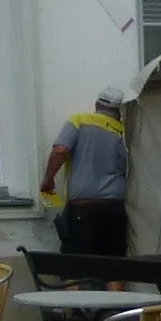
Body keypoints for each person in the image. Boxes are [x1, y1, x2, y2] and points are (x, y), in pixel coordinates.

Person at [40, 88, 129, 256]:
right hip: (115, 208)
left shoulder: (80, 120)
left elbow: (60, 150)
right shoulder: (125, 133)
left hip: (83, 207)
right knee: (115, 269)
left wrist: (48, 179)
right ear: (118, 111)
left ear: (96, 104)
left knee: (76, 268)